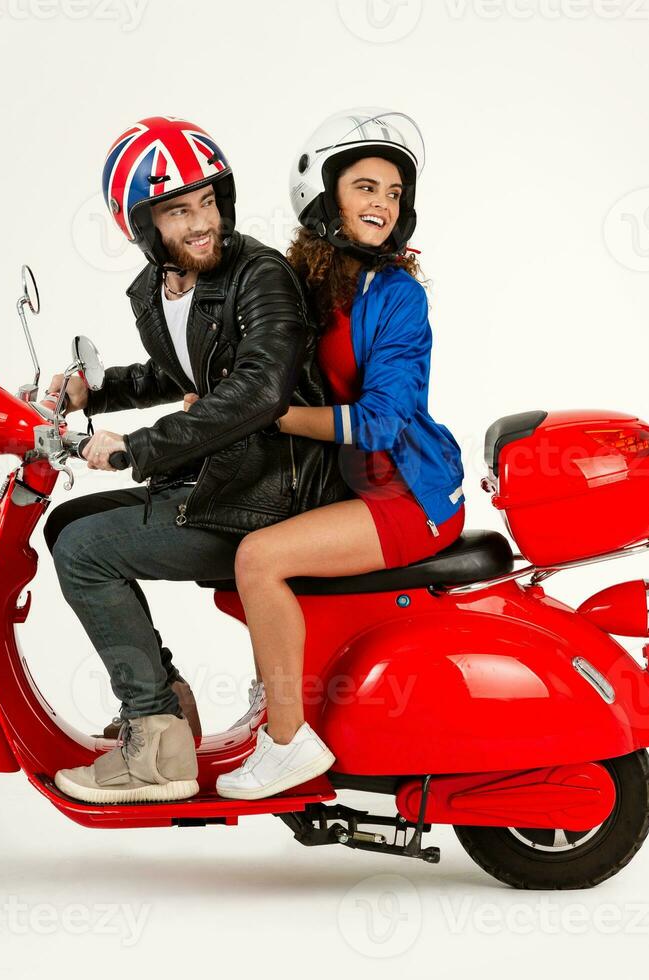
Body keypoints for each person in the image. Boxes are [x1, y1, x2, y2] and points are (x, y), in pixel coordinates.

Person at [45, 116, 349, 805]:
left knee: (88, 550)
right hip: (232, 475)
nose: (202, 221)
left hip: (277, 492)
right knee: (65, 526)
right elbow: (176, 369)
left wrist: (139, 447)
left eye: (209, 201)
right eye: (180, 210)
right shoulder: (157, 290)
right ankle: (166, 701)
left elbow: (258, 389)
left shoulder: (261, 276)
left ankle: (156, 745)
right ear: (143, 225)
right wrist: (95, 389)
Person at [214, 109, 467, 801]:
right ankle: (283, 700)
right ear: (324, 199)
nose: (383, 203)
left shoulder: (398, 297)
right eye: (365, 187)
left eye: (392, 192)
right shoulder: (311, 284)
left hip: (407, 494)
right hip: (351, 487)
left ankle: (288, 745)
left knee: (258, 560)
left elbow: (383, 422)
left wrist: (273, 416)